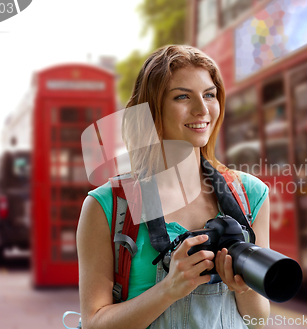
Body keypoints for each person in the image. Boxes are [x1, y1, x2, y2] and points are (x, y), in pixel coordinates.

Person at [77, 45, 271, 329]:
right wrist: (169, 289)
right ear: (151, 109)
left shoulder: (250, 194)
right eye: (182, 96)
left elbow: (258, 320)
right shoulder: (107, 205)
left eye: (209, 95)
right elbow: (94, 322)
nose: (202, 110)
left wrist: (243, 286)